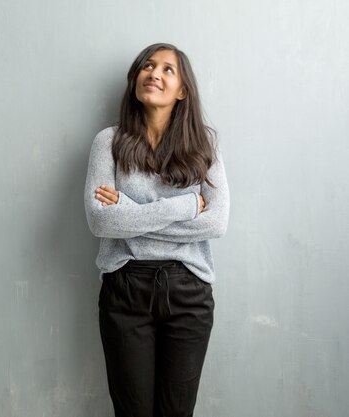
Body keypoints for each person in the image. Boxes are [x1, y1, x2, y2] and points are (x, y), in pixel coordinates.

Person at [83, 43, 230, 417]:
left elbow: (215, 222)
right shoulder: (109, 142)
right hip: (125, 289)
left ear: (182, 89)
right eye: (148, 66)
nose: (155, 73)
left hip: (189, 293)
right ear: (136, 79)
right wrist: (181, 207)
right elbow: (101, 221)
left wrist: (130, 214)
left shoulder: (205, 143)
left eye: (168, 69)